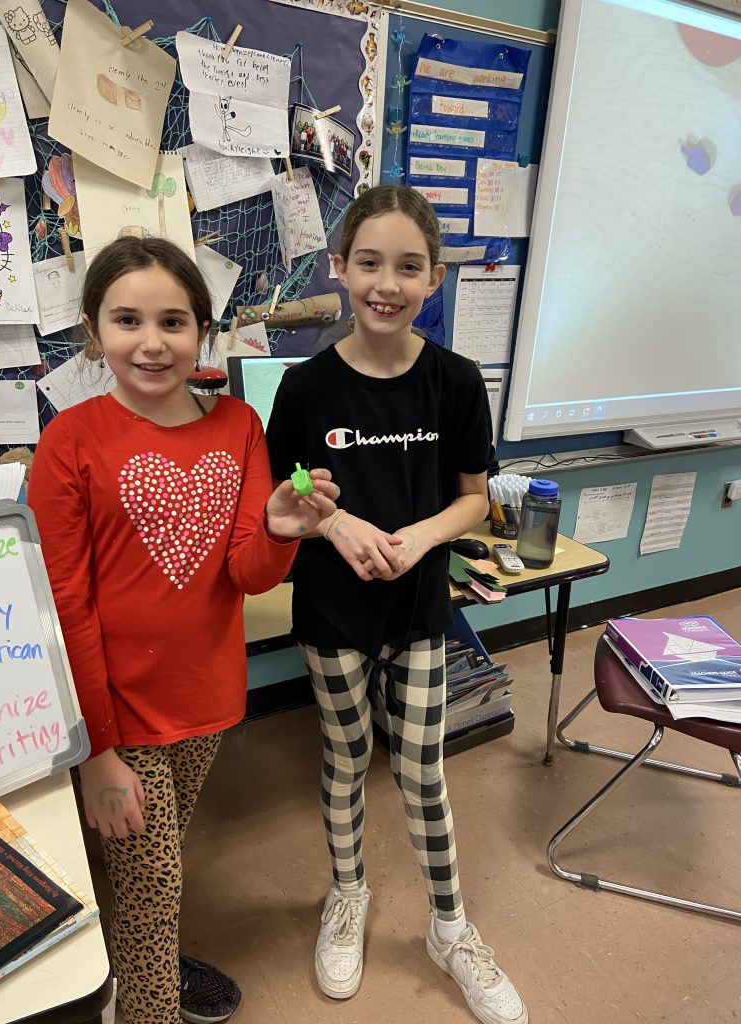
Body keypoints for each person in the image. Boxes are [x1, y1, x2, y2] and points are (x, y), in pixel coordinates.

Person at [27, 237, 339, 1024]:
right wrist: (96, 752)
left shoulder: (237, 426)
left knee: (148, 873)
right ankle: (146, 1002)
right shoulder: (70, 440)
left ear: (203, 328)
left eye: (174, 320)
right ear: (94, 332)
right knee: (155, 883)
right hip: (116, 710)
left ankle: (137, 967)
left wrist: (280, 528)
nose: (152, 341)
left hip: (203, 699)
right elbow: (66, 603)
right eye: (127, 320)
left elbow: (248, 574)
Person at [265, 185, 528, 1024]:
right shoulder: (305, 390)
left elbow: (477, 499)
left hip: (417, 607)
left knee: (421, 768)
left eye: (408, 266)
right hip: (332, 615)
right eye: (369, 263)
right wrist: (334, 522)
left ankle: (450, 930)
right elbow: (282, 498)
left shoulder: (454, 381)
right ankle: (349, 895)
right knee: (346, 759)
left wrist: (417, 540)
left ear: (435, 278)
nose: (388, 283)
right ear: (339, 270)